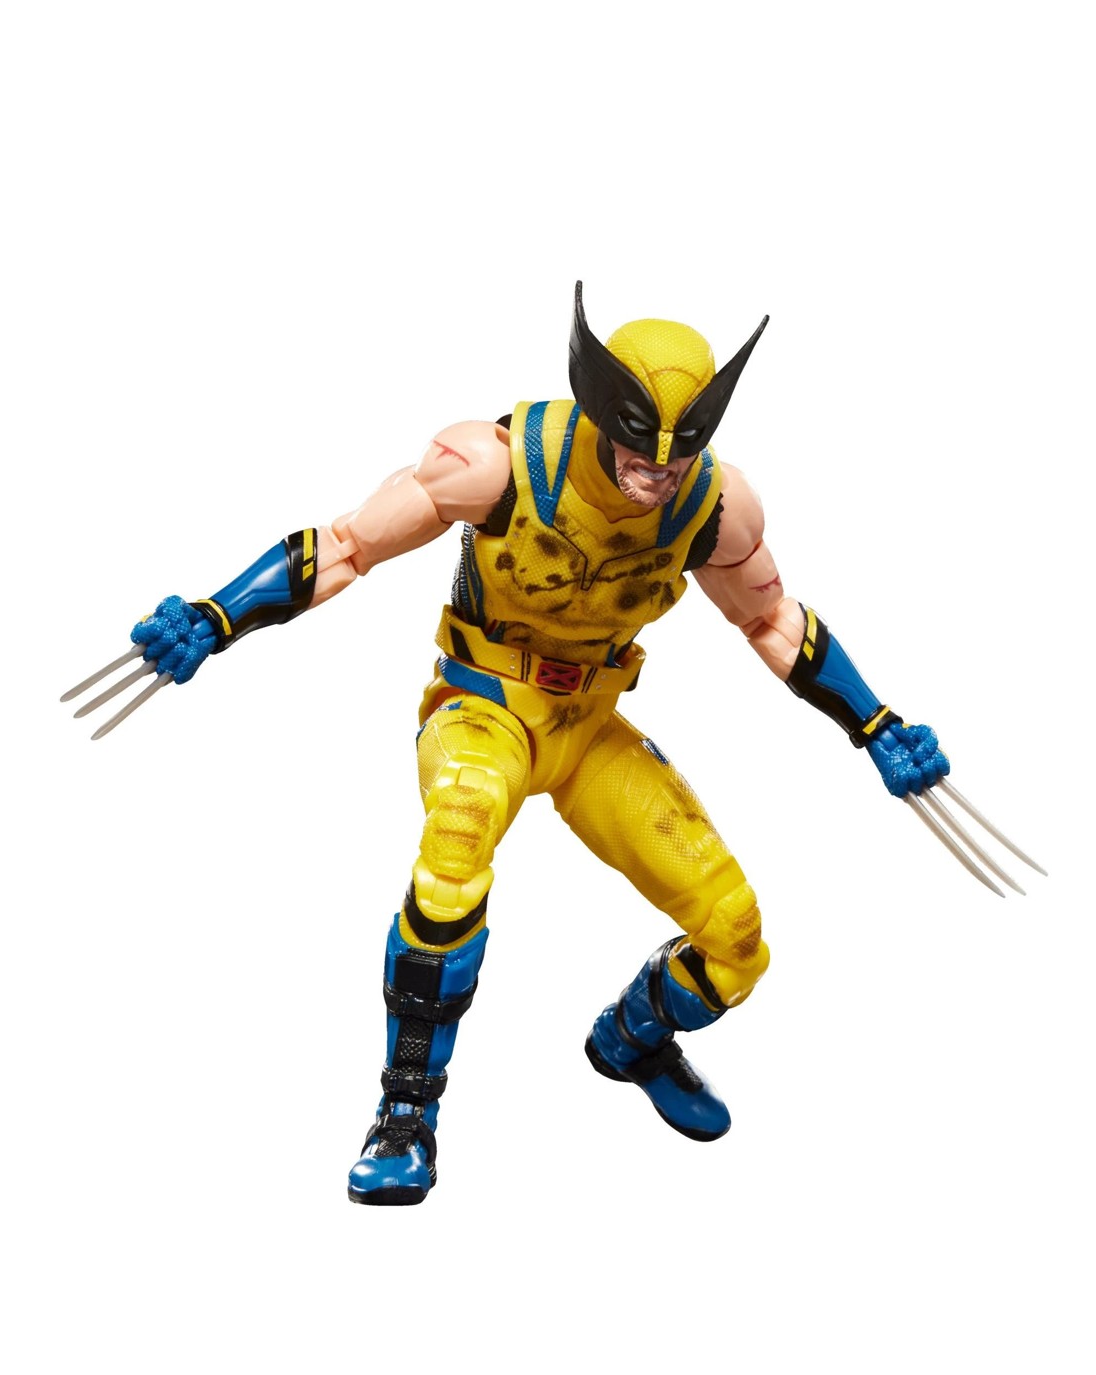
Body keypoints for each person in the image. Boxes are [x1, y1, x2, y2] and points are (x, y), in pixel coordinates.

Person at [64, 282, 1039, 1206]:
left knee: (735, 935)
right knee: (454, 845)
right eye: (638, 449)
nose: (656, 474)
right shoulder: (496, 462)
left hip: (588, 728)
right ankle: (405, 1112)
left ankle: (632, 1039)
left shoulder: (714, 504)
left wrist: (874, 723)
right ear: (601, 412)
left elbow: (771, 618)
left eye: (678, 457)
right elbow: (350, 544)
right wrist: (217, 616)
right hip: (482, 706)